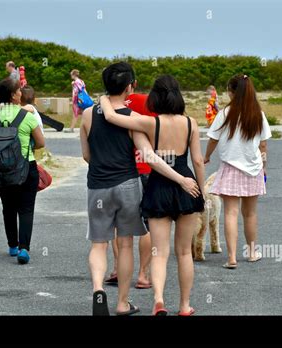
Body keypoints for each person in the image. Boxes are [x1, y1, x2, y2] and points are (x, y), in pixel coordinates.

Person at [80, 62, 200, 316]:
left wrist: (100, 99)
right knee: (126, 245)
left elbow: (86, 155)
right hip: (127, 185)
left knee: (99, 244)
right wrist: (184, 180)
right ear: (130, 87)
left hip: (98, 186)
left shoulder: (88, 115)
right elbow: (148, 154)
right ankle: (123, 303)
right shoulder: (135, 119)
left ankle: (98, 289)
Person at [204, 74, 271, 270]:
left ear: (231, 92)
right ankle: (251, 253)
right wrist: (263, 167)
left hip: (230, 168)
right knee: (250, 213)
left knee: (230, 213)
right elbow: (263, 145)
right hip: (253, 168)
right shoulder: (258, 113)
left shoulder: (224, 114)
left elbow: (213, 139)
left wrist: (207, 156)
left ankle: (231, 257)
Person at [0, 78, 45, 265]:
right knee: (26, 208)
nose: (21, 92)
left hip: (2, 169)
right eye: (19, 90)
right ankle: (23, 249)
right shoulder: (26, 116)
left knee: (8, 208)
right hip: (25, 167)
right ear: (14, 95)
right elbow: (41, 142)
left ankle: (12, 245)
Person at [104, 90, 157, 290]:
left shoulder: (110, 105)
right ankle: (143, 274)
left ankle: (118, 269)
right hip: (148, 169)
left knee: (119, 224)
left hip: (123, 171)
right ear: (131, 83)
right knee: (148, 224)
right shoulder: (147, 102)